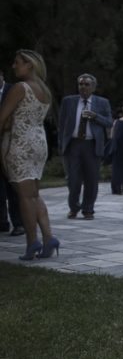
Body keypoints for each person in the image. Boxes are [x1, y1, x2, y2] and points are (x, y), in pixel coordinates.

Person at [0, 49, 58, 259]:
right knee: (33, 194)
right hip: (38, 142)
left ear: (29, 65)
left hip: (19, 143)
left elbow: (2, 118)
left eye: (17, 62)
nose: (14, 66)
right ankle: (49, 237)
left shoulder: (20, 88)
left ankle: (32, 242)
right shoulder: (44, 89)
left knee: (24, 196)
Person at [58, 72, 112, 220]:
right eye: (80, 84)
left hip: (92, 145)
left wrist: (95, 116)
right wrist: (61, 145)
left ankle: (88, 209)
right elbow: (62, 124)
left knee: (91, 179)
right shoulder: (68, 101)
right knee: (73, 179)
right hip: (73, 145)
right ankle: (74, 207)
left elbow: (109, 122)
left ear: (93, 87)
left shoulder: (102, 102)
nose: (83, 87)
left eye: (86, 84)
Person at [0, 67, 25, 235]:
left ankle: (19, 223)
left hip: (11, 143)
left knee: (13, 186)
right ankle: (2, 222)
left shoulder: (13, 90)